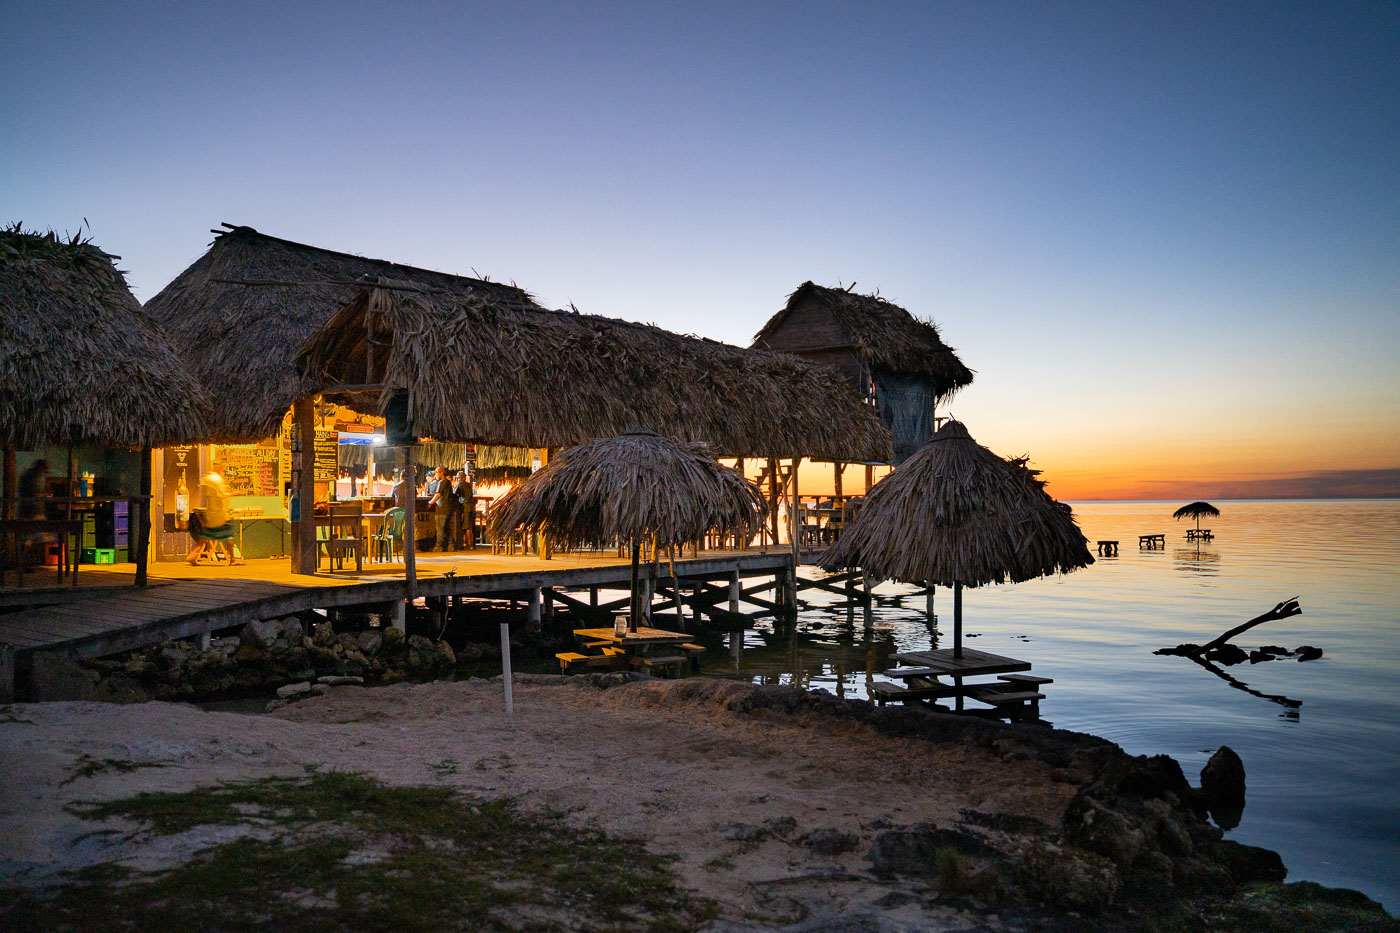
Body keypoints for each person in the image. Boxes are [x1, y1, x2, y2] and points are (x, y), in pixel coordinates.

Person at [189, 462, 241, 565]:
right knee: (229, 537)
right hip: (221, 515)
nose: (223, 470)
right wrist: (233, 493)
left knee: (204, 537)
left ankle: (193, 555)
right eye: (223, 468)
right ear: (220, 467)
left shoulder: (207, 479)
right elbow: (221, 495)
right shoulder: (217, 480)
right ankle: (233, 559)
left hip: (211, 514)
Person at [426, 465, 457, 552]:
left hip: (441, 508)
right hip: (447, 508)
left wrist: (430, 502)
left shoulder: (442, 482)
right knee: (447, 528)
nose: (435, 476)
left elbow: (438, 494)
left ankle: (438, 546)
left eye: (436, 473)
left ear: (441, 473)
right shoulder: (448, 482)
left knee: (440, 528)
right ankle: (451, 545)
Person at [452, 469, 474, 549]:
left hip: (465, 507)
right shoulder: (468, 485)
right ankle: (468, 543)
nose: (458, 479)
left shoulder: (460, 484)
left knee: (465, 526)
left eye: (459, 478)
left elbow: (453, 493)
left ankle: (468, 544)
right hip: (470, 507)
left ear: (462, 478)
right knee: (468, 525)